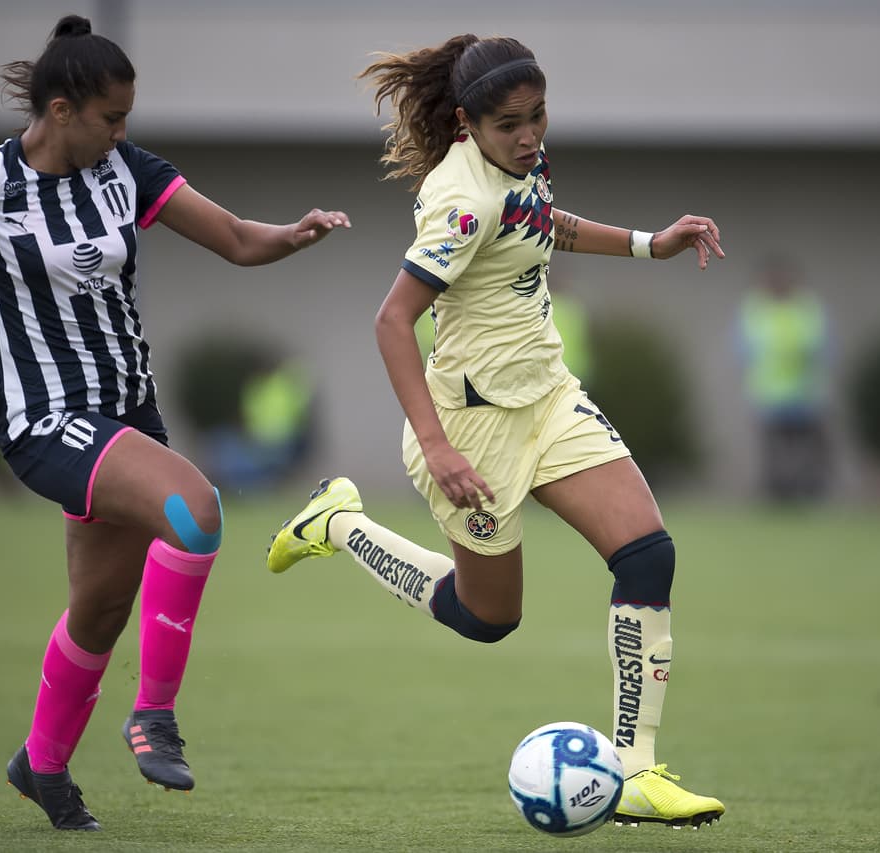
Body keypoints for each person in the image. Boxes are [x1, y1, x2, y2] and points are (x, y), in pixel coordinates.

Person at [0, 15, 349, 832]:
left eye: (126, 119)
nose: (122, 132)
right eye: (111, 117)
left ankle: (40, 765)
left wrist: (292, 235)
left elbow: (232, 237)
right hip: (46, 420)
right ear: (61, 108)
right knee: (195, 510)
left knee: (101, 610)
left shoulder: (127, 171)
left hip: (128, 417)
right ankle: (153, 714)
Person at [267, 34, 725, 830]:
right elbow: (392, 321)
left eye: (539, 116)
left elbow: (545, 225)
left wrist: (653, 244)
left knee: (648, 552)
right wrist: (438, 448)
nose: (529, 135)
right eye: (510, 124)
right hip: (470, 431)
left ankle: (636, 768)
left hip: (547, 399)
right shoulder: (462, 200)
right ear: (466, 125)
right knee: (488, 619)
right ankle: (337, 522)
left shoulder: (524, 165)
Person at [738, 256, 830, 501]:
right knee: (774, 451)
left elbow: (816, 343)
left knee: (805, 449)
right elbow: (745, 347)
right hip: (769, 393)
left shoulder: (805, 306)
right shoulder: (756, 307)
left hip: (803, 392)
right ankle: (778, 495)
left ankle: (808, 493)